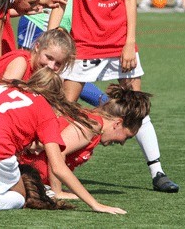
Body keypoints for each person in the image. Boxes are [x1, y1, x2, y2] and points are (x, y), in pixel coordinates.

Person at [48, 0, 179, 193]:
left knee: (137, 108)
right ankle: (52, 171)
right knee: (64, 107)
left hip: (119, 41)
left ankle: (157, 172)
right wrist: (51, 40)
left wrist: (129, 42)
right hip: (84, 45)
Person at [0, 68, 126, 214]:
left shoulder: (3, 86)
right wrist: (94, 203)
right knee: (18, 196)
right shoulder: (45, 110)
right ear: (55, 96)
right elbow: (58, 167)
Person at [18, 85, 152, 199]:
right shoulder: (93, 125)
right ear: (117, 123)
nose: (123, 142)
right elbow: (58, 151)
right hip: (21, 170)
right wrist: (57, 192)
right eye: (127, 137)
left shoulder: (91, 122)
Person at [0, 28, 75, 100]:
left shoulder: (46, 75)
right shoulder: (21, 63)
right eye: (49, 57)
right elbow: (0, 98)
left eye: (58, 63)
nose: (51, 66)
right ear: (37, 47)